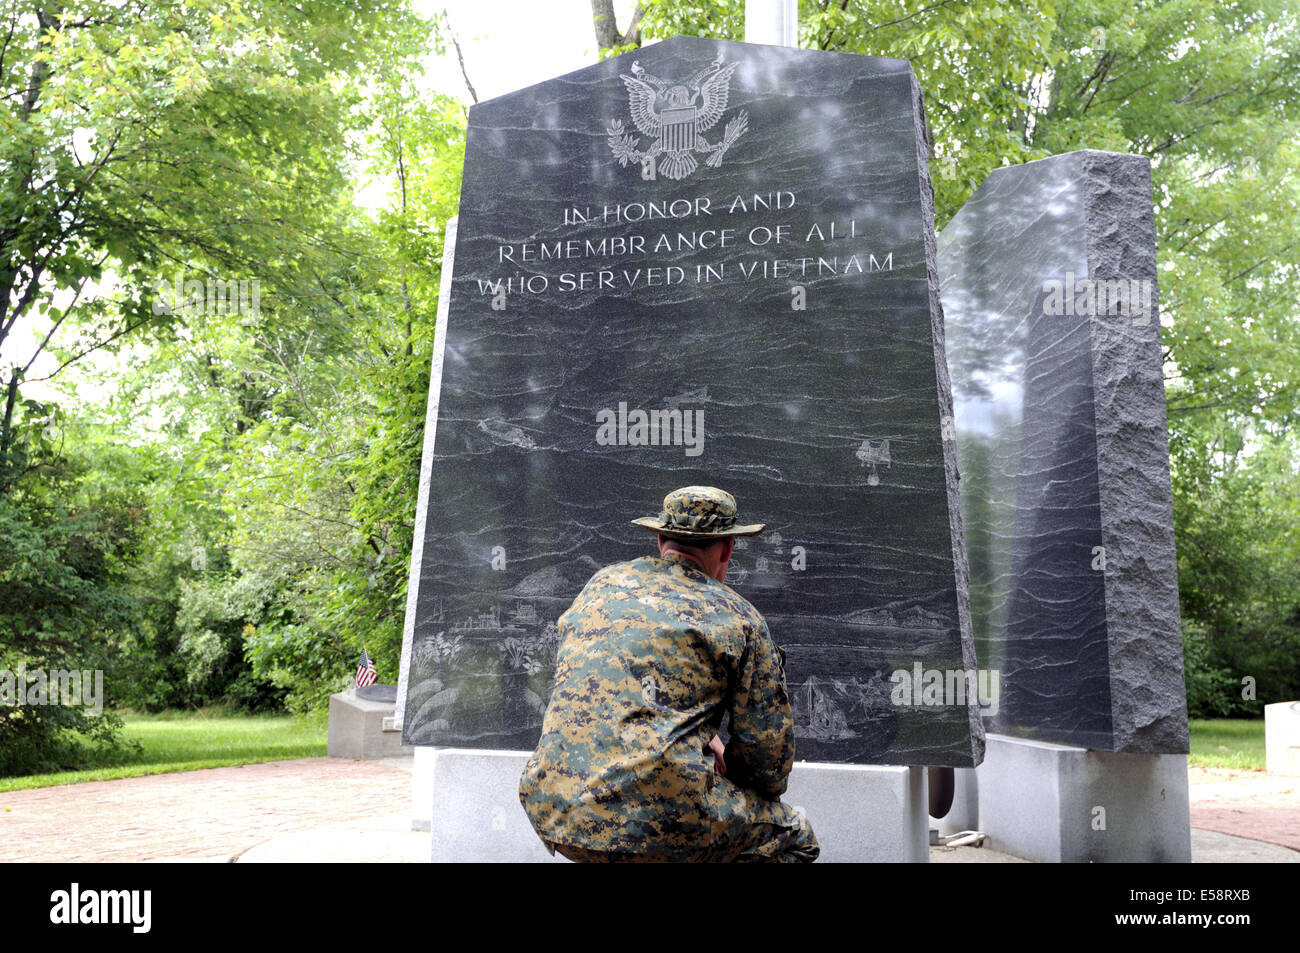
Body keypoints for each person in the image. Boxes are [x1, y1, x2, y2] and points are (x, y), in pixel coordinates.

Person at [518, 485, 819, 862]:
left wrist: (690, 739)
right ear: (727, 548)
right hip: (661, 824)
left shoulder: (601, 586)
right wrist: (718, 773)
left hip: (553, 806)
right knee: (795, 836)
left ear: (661, 538)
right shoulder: (740, 618)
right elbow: (768, 767)